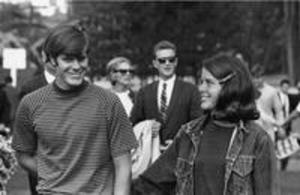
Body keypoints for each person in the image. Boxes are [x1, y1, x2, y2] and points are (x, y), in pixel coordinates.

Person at [12, 24, 137, 195]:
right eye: (68, 59)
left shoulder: (108, 102)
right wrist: (54, 175)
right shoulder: (31, 103)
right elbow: (23, 155)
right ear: (52, 60)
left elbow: (123, 165)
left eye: (81, 58)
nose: (77, 66)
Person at [133, 54, 278, 195]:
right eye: (201, 82)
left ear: (231, 86)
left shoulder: (257, 140)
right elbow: (150, 184)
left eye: (208, 83)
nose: (201, 88)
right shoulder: (189, 133)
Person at [130, 40, 202, 151]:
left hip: (180, 155)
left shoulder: (191, 90)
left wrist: (180, 143)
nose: (167, 63)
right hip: (151, 157)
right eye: (162, 60)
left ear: (176, 62)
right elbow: (134, 123)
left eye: (171, 60)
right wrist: (147, 127)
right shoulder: (144, 92)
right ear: (155, 63)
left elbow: (198, 124)